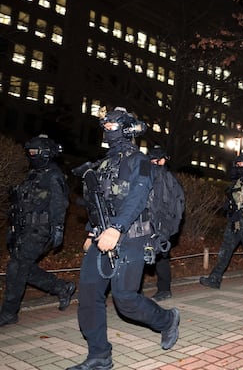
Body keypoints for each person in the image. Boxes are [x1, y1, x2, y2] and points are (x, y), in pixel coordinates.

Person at [68, 107, 179, 370]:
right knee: (89, 295)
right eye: (104, 127)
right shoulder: (105, 163)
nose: (106, 131)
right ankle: (99, 355)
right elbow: (101, 202)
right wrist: (91, 230)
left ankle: (166, 320)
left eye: (111, 127)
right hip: (102, 235)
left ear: (126, 129)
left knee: (125, 299)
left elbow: (137, 198)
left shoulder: (139, 161)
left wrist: (116, 228)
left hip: (132, 236)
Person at [0, 134, 74, 327]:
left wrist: (58, 230)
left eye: (35, 152)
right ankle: (62, 287)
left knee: (17, 267)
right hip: (24, 229)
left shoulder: (54, 174)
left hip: (39, 230)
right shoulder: (33, 174)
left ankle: (9, 313)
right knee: (24, 268)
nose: (31, 155)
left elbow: (60, 204)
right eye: (29, 152)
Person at [199, 153, 243, 289]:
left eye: (242, 164)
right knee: (225, 251)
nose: (239, 166)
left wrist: (241, 211)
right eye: (237, 164)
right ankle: (215, 279)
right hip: (235, 221)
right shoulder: (238, 181)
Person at [147, 145, 184, 301]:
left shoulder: (168, 179)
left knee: (161, 258)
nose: (153, 162)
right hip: (147, 223)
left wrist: (167, 229)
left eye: (156, 159)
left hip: (161, 225)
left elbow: (176, 206)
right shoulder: (148, 176)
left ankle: (164, 290)